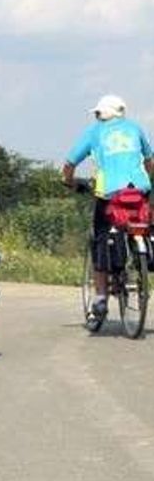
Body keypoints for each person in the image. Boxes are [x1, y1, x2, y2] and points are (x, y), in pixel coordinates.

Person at [62, 94, 154, 323]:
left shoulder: (94, 132)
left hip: (109, 193)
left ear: (101, 114)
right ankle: (143, 255)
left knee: (100, 237)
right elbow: (150, 161)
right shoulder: (135, 128)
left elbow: (70, 163)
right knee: (141, 223)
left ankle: (101, 296)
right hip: (139, 189)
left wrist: (70, 182)